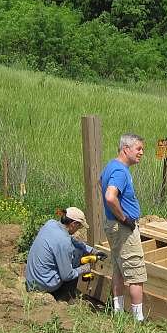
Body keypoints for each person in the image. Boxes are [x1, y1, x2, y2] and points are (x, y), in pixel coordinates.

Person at [101, 133, 147, 322]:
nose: (141, 153)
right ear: (126, 149)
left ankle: (118, 312)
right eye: (138, 149)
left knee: (119, 269)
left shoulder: (111, 166)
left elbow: (100, 183)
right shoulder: (120, 171)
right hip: (122, 228)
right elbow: (110, 196)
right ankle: (138, 319)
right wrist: (124, 218)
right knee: (136, 272)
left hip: (113, 226)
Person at [25, 206, 104, 302]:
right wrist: (84, 268)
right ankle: (66, 296)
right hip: (45, 285)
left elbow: (73, 240)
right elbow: (67, 275)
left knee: (77, 249)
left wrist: (93, 251)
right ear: (73, 224)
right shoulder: (64, 242)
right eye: (80, 226)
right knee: (77, 254)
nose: (79, 229)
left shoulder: (50, 224)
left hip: (32, 281)